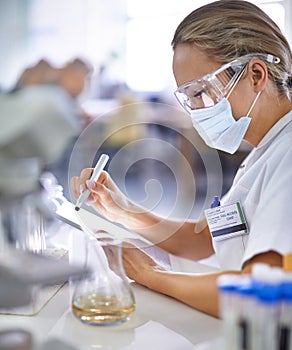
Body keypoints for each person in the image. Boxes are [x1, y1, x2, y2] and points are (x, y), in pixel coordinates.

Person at [71, 0, 292, 317]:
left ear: (256, 74)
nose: (198, 111)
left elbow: (261, 292)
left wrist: (151, 275)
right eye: (188, 99)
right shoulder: (265, 149)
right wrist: (123, 210)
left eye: (201, 92)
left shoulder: (287, 156)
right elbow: (207, 239)